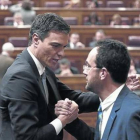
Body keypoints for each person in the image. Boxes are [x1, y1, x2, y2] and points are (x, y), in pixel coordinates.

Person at [0, 13, 99, 140]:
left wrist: (114, 93)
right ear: (36, 40)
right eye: (55, 46)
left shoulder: (42, 68)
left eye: (63, 47)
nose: (61, 53)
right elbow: (27, 138)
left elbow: (75, 98)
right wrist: (63, 120)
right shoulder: (21, 76)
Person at [56, 39, 140, 140]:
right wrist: (69, 120)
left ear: (103, 73)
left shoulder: (133, 112)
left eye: (88, 66)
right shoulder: (107, 103)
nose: (84, 71)